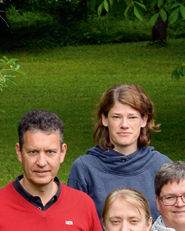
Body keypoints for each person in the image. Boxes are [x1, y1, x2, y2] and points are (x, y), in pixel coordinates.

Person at [68, 84, 171, 219]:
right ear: (105, 119)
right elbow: (73, 224)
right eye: (116, 117)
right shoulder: (84, 168)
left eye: (132, 117)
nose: (124, 124)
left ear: (144, 120)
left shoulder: (162, 166)